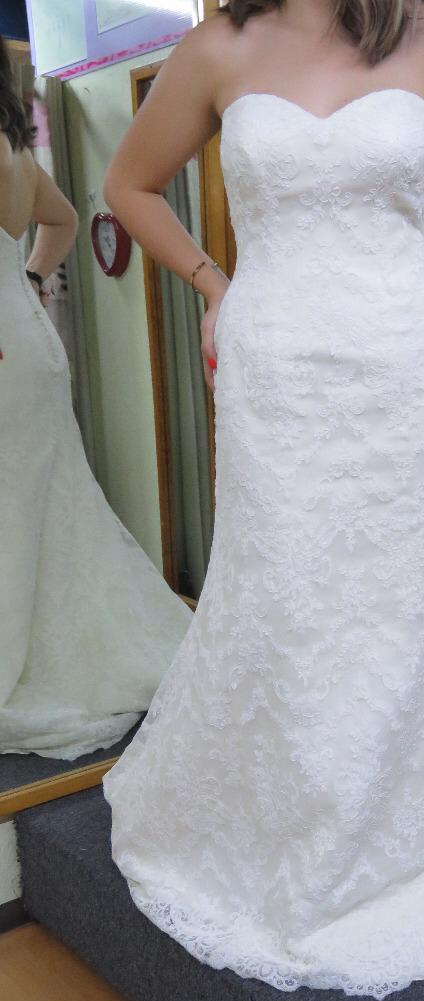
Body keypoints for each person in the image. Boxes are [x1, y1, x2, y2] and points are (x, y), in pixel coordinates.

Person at [100, 0, 424, 998]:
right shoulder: (221, 44)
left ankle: (397, 830)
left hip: (405, 359)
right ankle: (283, 820)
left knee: (401, 599)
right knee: (283, 592)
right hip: (274, 361)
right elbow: (127, 184)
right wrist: (212, 281)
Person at [0, 36, 192, 761]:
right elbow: (63, 221)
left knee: (20, 508)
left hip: (10, 351)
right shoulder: (17, 153)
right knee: (42, 503)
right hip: (24, 340)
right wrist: (27, 279)